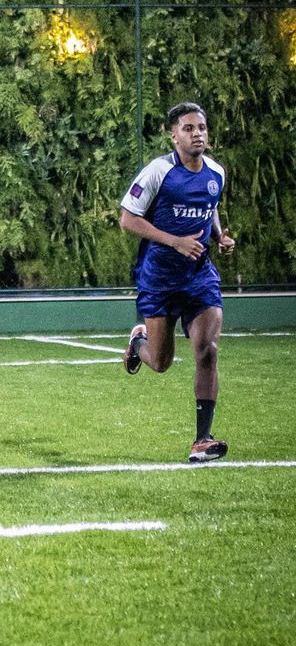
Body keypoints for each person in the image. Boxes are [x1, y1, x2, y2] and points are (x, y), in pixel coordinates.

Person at [119, 101, 236, 463]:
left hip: (199, 275)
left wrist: (218, 237)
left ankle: (203, 439)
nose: (197, 133)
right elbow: (127, 219)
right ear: (174, 135)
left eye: (201, 127)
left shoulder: (215, 172)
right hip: (159, 277)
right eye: (188, 128)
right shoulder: (157, 172)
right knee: (162, 361)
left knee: (207, 349)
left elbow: (209, 205)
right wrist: (174, 241)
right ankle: (139, 343)